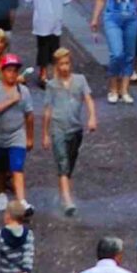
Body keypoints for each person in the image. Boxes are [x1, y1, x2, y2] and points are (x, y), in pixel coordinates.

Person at [42, 45, 97, 215]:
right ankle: (67, 201)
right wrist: (45, 133)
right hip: (58, 128)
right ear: (56, 66)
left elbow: (88, 99)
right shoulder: (52, 85)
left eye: (67, 63)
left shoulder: (80, 80)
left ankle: (65, 195)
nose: (65, 67)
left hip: (75, 129)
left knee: (69, 165)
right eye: (61, 64)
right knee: (63, 163)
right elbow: (48, 110)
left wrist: (92, 116)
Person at [0, 54, 34, 207]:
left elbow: (29, 116)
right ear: (2, 71)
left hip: (17, 134)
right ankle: (2, 192)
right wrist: (11, 100)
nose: (12, 74)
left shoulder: (24, 91)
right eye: (9, 70)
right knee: (1, 168)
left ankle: (21, 201)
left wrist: (30, 137)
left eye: (15, 71)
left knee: (17, 167)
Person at [22, 0, 71, 81]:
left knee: (42, 47)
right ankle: (55, 73)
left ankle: (43, 74)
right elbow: (67, 0)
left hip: (41, 20)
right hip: (56, 19)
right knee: (55, 47)